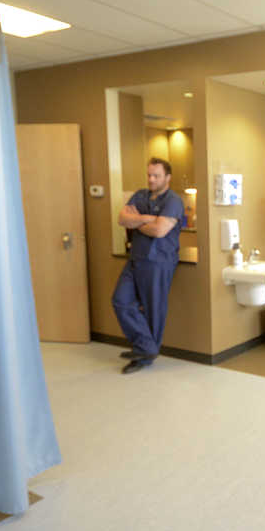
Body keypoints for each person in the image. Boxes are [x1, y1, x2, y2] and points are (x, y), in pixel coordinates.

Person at [111, 158, 184, 374]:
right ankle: (148, 348)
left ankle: (143, 356)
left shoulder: (173, 201)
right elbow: (123, 219)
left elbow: (160, 231)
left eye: (156, 176)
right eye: (149, 175)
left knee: (154, 308)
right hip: (136, 258)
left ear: (167, 178)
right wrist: (147, 218)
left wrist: (138, 221)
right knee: (120, 300)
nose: (151, 179)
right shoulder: (140, 195)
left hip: (159, 261)